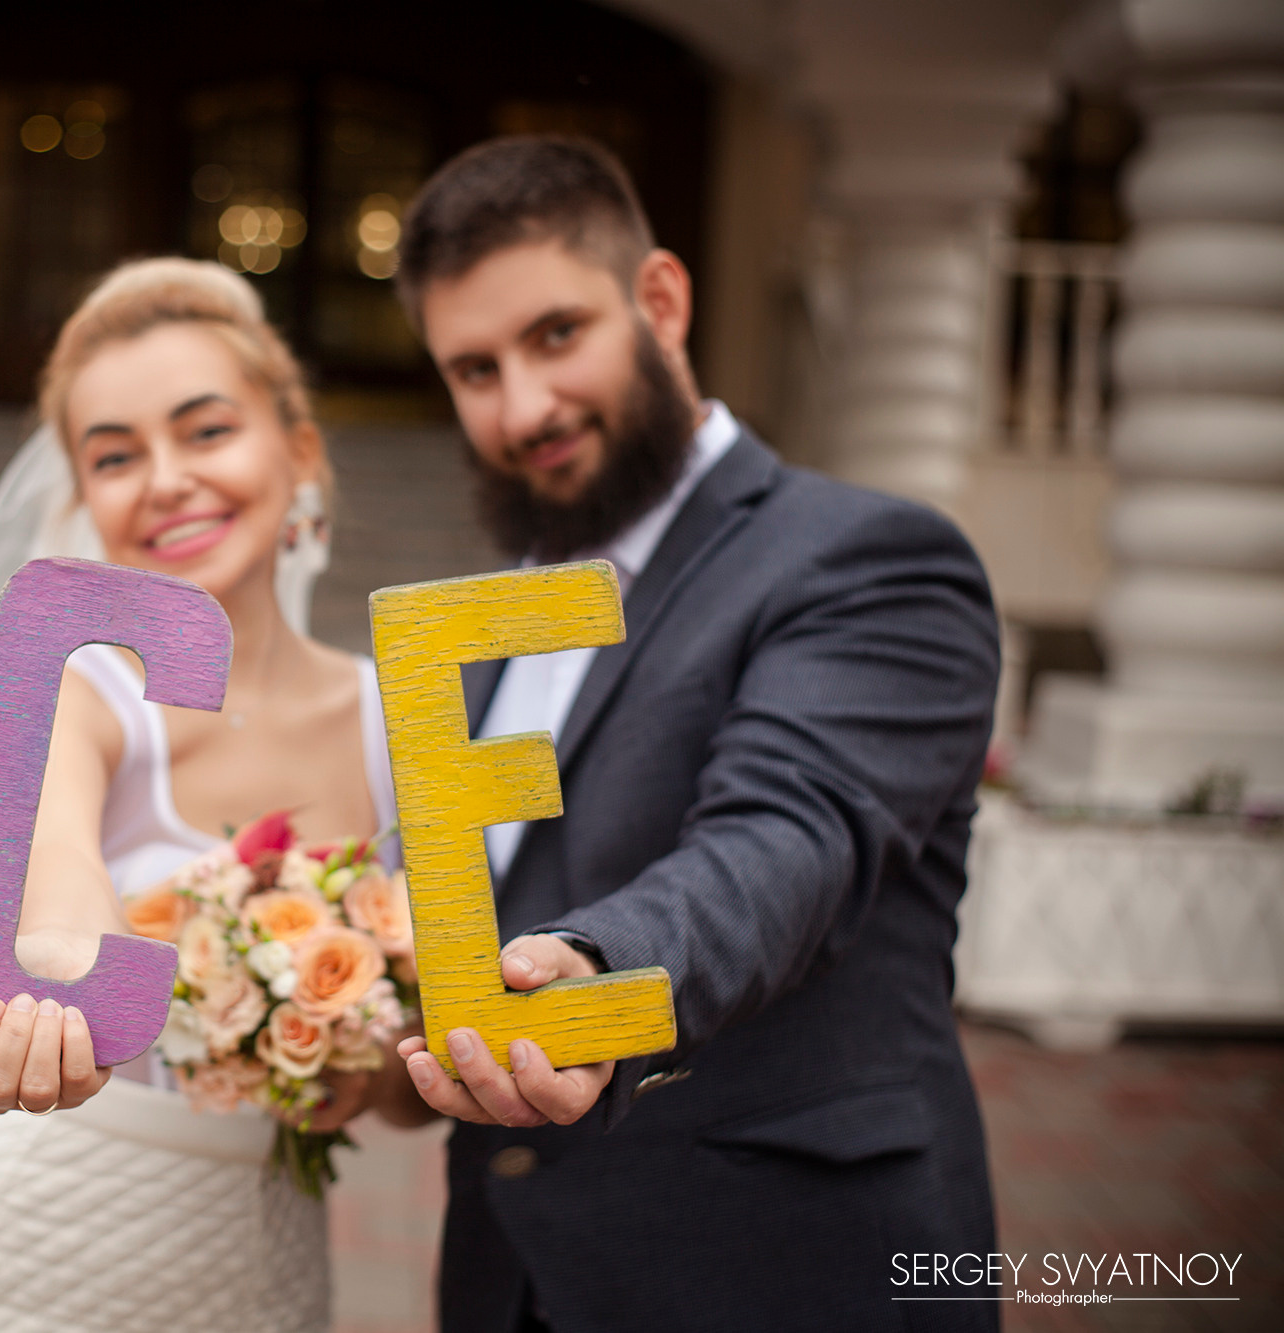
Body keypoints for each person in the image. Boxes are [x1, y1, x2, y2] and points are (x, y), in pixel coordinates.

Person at [387, 137, 1002, 1332]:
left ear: (658, 300)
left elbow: (783, 840)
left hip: (781, 1272)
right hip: (511, 1279)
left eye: (555, 335)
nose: (521, 407)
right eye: (472, 368)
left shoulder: (863, 558)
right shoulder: (487, 621)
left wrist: (590, 979)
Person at [0, 257, 420, 1333]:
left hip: (254, 1267)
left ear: (298, 453)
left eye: (205, 431)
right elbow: (60, 894)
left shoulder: (399, 719)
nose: (163, 479)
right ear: (80, 501)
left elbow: (412, 1089)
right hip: (7, 1262)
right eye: (113, 456)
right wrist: (48, 985)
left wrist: (365, 1064)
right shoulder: (74, 692)